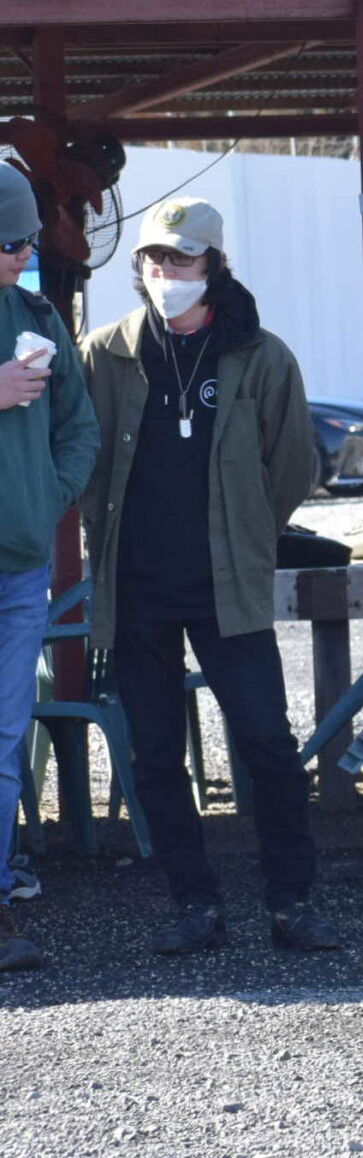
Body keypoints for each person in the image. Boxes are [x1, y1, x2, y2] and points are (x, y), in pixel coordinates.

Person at [79, 198, 340, 954]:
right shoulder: (105, 353)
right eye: (155, 259)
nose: (167, 273)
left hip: (227, 586)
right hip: (136, 586)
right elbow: (81, 455)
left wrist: (248, 532)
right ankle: (195, 904)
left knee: (267, 741)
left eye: (182, 259)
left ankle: (291, 901)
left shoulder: (261, 355)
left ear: (214, 266)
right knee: (156, 752)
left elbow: (291, 464)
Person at [0, 164, 97, 972]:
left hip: (20, 568)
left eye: (28, 239)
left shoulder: (36, 315)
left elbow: (80, 426)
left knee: (3, 742)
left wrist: (45, 496)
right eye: (9, 241)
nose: (24, 254)